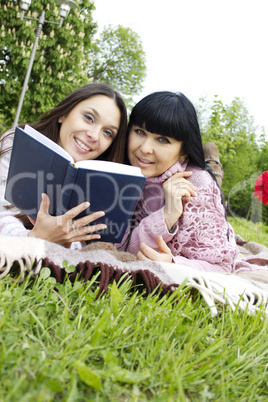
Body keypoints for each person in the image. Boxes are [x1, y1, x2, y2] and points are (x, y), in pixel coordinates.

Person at [115, 91, 241, 273]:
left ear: (184, 152)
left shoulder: (200, 185)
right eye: (140, 132)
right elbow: (121, 249)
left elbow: (222, 265)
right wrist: (166, 216)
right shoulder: (119, 170)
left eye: (162, 139)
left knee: (209, 178)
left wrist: (173, 264)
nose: (144, 148)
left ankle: (213, 167)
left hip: (196, 181)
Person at [0, 83, 127, 248]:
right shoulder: (16, 144)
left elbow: (90, 242)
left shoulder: (103, 184)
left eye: (108, 133)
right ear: (63, 114)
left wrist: (66, 243)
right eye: (89, 117)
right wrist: (34, 238)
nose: (94, 135)